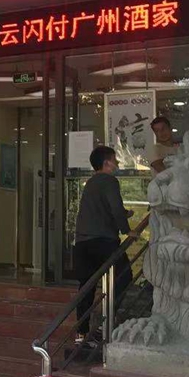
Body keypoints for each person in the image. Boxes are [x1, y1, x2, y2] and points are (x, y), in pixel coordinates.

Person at [73, 146, 133, 344]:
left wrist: (124, 214)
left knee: (87, 287)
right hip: (103, 241)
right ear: (106, 163)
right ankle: (103, 323)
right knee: (124, 276)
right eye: (115, 160)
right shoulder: (109, 181)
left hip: (82, 243)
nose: (117, 164)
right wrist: (127, 230)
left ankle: (81, 334)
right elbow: (114, 207)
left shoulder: (90, 182)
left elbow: (102, 209)